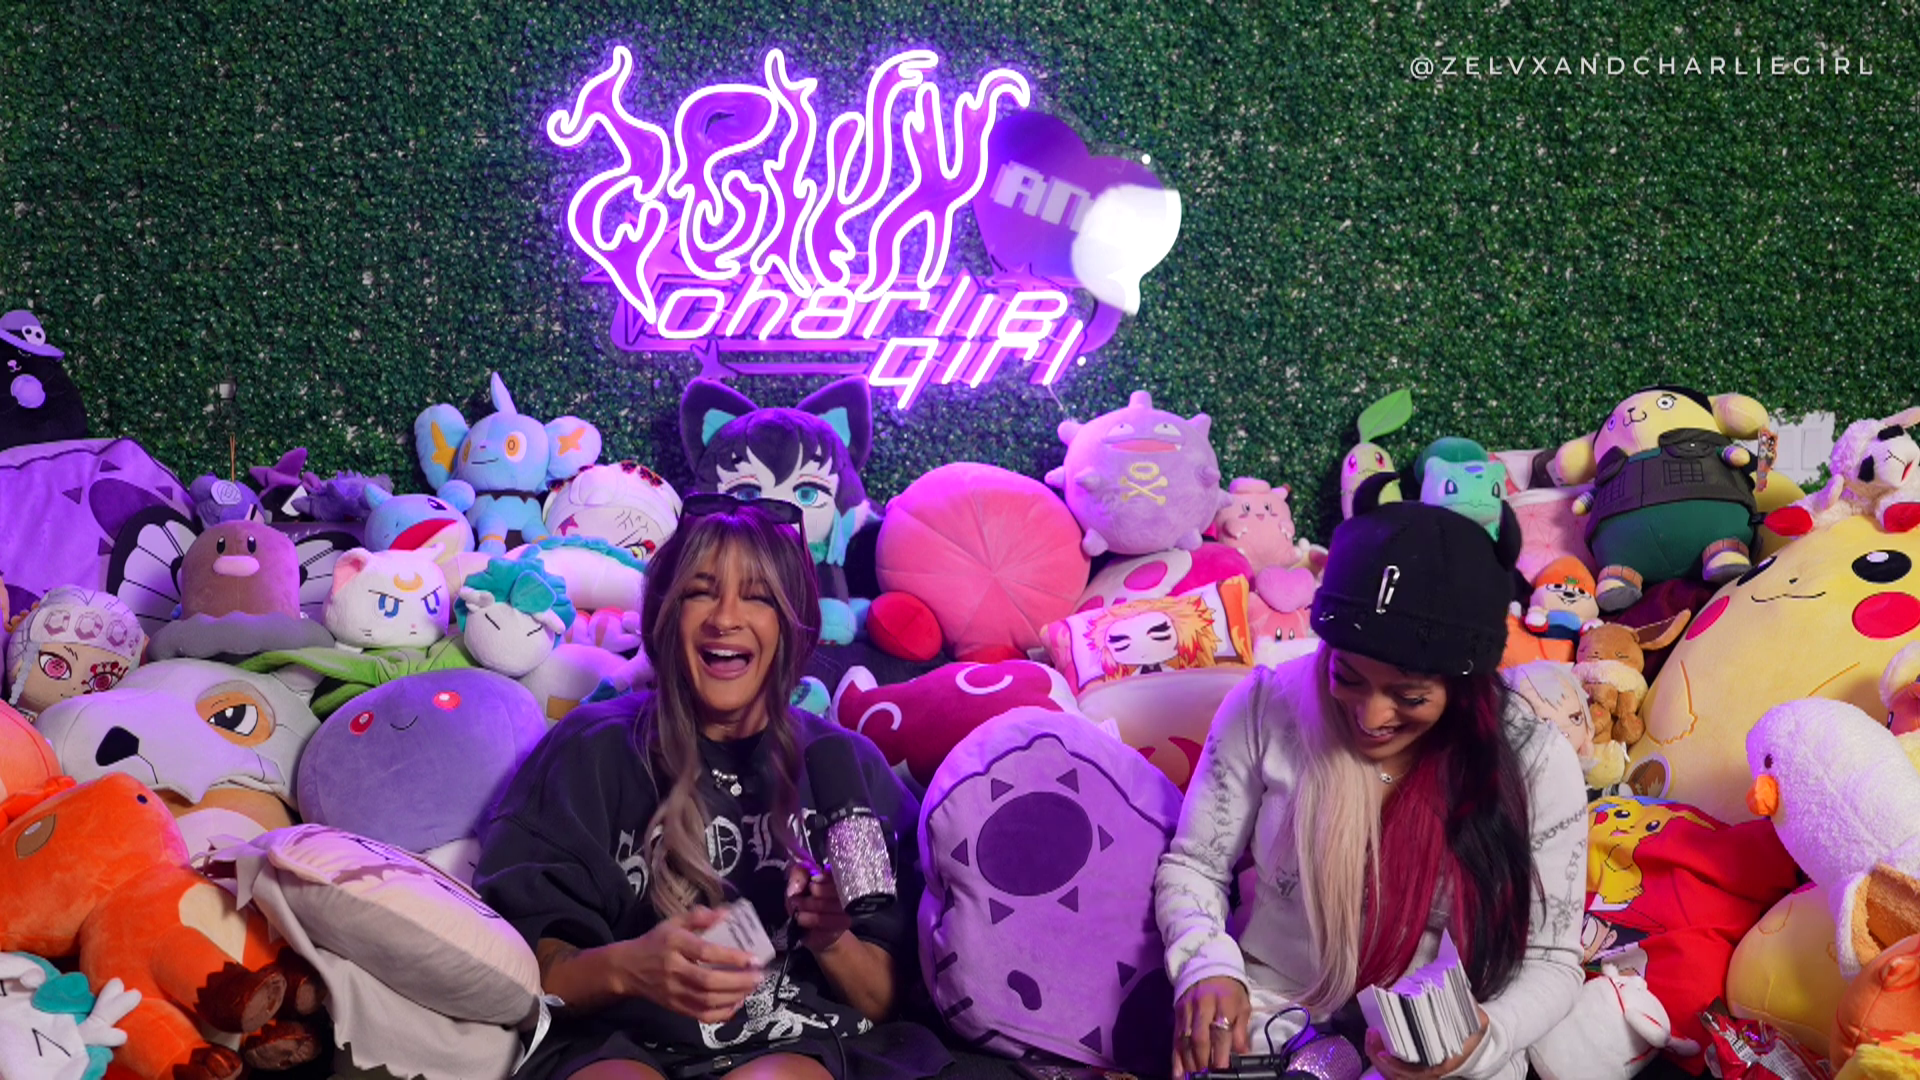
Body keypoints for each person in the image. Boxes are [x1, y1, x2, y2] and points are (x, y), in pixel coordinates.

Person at [474, 496, 948, 1080]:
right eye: (701, 592)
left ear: (792, 624)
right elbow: (517, 973)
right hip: (620, 1043)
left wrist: (831, 939)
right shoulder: (590, 752)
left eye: (757, 596)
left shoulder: (847, 765)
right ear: (666, 614)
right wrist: (631, 968)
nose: (725, 618)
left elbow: (883, 1002)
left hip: (802, 1044)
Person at [1155, 501, 1587, 1080]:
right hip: (1275, 1007)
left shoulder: (1536, 761)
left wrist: (1484, 1041)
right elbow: (1195, 866)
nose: (1371, 716)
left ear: (1467, 689)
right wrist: (1206, 966)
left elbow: (1552, 960)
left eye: (1410, 697)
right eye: (1347, 677)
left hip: (1443, 1041)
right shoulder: (1265, 706)